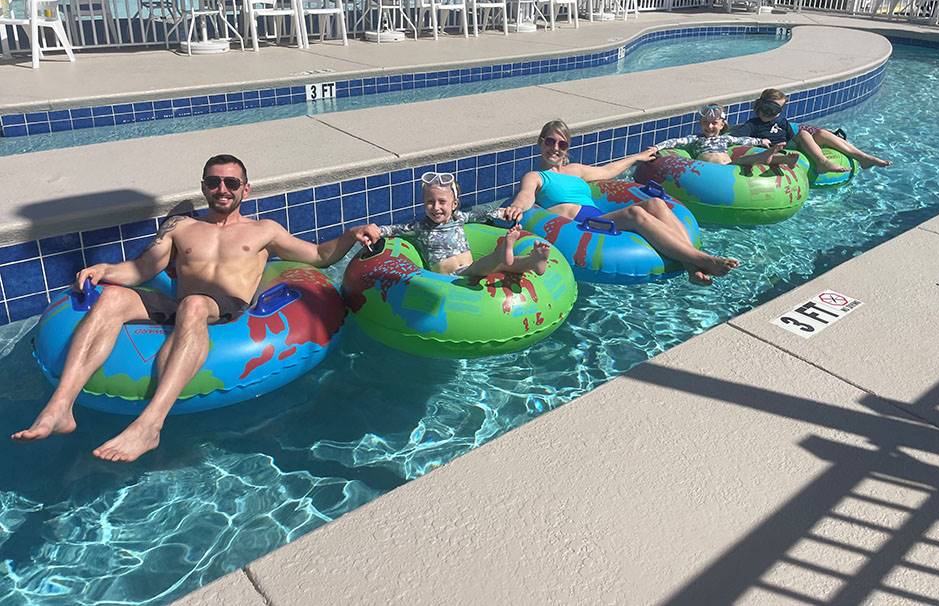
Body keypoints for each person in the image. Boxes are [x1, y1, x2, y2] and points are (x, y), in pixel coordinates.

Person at [11, 155, 366, 463]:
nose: (222, 189)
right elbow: (142, 270)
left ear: (246, 189)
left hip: (224, 308)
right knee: (113, 298)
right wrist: (105, 271)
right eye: (214, 182)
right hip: (180, 303)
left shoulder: (264, 230)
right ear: (204, 187)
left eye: (231, 182)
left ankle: (150, 425)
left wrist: (351, 236)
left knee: (195, 305)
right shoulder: (182, 228)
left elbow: (319, 257)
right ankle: (60, 408)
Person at [500, 120, 739, 286]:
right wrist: (517, 208)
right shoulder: (536, 176)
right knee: (636, 213)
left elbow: (609, 171)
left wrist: (637, 157)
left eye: (562, 144)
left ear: (567, 148)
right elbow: (526, 195)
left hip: (597, 216)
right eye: (550, 142)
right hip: (582, 225)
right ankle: (703, 260)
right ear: (540, 143)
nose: (555, 148)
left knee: (656, 203)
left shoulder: (576, 170)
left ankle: (691, 265)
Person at [355, 172, 550, 279]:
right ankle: (501, 252)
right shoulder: (419, 227)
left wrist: (505, 213)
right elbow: (394, 229)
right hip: (451, 279)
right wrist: (375, 230)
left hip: (471, 267)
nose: (436, 207)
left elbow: (482, 214)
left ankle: (533, 262)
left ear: (454, 204)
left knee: (504, 265)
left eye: (442, 202)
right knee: (492, 263)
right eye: (430, 202)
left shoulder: (459, 218)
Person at [733, 89, 891, 173]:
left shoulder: (781, 121)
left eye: (778, 109)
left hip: (790, 145)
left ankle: (863, 157)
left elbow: (793, 138)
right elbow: (734, 140)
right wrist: (759, 141)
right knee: (803, 134)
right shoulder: (752, 125)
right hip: (776, 151)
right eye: (769, 108)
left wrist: (811, 140)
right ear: (760, 106)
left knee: (820, 134)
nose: (772, 113)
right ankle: (822, 163)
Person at [654, 104, 799, 168]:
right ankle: (770, 156)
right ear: (700, 123)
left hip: (729, 167)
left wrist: (761, 141)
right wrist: (655, 147)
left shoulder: (725, 139)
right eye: (705, 123)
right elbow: (674, 142)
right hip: (709, 169)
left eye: (714, 123)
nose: (709, 126)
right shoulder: (696, 139)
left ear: (722, 125)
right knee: (746, 160)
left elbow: (743, 140)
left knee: (745, 160)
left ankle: (783, 159)